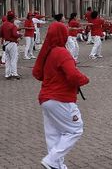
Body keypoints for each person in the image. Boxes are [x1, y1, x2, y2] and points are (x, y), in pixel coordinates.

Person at [32, 22, 89, 169]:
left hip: (46, 98)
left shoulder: (48, 52)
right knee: (75, 129)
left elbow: (38, 74)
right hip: (60, 98)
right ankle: (52, 160)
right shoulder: (62, 52)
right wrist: (84, 79)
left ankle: (56, 165)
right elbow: (72, 75)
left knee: (53, 134)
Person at [0, 11, 22, 80]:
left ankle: (7, 74)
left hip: (6, 43)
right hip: (12, 43)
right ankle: (14, 73)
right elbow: (15, 34)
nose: (14, 19)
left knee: (8, 60)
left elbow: (0, 34)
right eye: (14, 18)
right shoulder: (13, 26)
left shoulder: (3, 25)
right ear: (12, 19)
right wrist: (20, 35)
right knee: (13, 59)